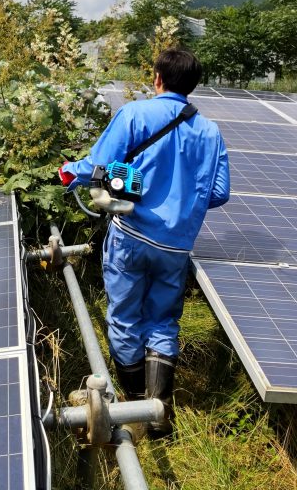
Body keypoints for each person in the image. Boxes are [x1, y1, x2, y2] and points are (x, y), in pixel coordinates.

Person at [59, 49, 229, 437]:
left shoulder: (135, 115)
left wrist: (69, 172)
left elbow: (98, 165)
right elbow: (219, 193)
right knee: (164, 321)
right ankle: (158, 414)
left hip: (132, 235)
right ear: (192, 85)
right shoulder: (210, 132)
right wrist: (184, 200)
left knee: (124, 317)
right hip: (177, 246)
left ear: (157, 79)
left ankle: (134, 408)